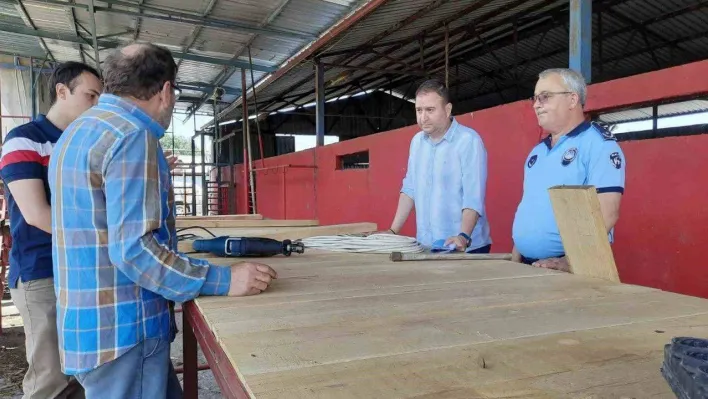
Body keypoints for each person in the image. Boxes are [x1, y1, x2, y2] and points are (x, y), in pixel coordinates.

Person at [48, 43, 277, 398]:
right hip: (126, 332)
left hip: (91, 326)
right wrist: (223, 279)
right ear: (167, 91)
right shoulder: (132, 135)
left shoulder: (79, 131)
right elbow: (134, 251)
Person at [0, 61, 102, 399]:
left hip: (82, 269)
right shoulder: (24, 140)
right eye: (91, 95)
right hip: (42, 271)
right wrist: (105, 240)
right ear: (62, 91)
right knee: (50, 377)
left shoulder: (84, 146)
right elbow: (37, 214)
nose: (97, 104)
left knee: (84, 369)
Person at [511, 68, 626, 271]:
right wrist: (517, 252)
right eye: (535, 98)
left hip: (569, 267)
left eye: (545, 97)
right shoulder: (536, 153)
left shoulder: (598, 144)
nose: (536, 105)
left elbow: (608, 213)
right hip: (529, 265)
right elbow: (530, 208)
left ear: (572, 100)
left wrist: (569, 262)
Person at [383, 79, 492, 253]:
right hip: (427, 246)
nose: (423, 117)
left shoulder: (468, 141)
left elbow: (473, 196)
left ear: (447, 110)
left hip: (464, 247)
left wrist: (463, 236)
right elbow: (410, 188)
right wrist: (392, 231)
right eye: (419, 110)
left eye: (430, 110)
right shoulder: (417, 142)